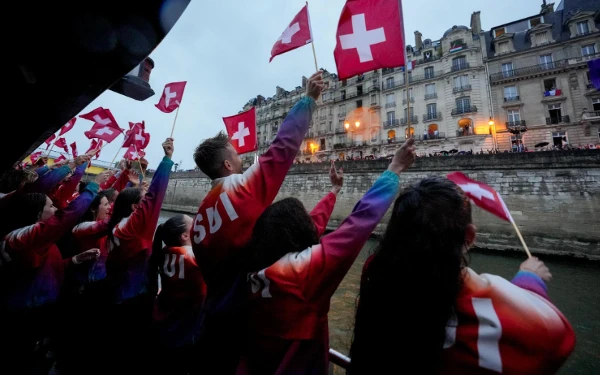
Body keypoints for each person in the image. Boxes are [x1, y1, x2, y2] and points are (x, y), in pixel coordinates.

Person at [349, 176, 576, 374]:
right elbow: (555, 336)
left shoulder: (376, 274)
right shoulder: (487, 310)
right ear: (469, 237)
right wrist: (530, 281)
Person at [238, 141, 415, 374]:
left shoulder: (257, 271)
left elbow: (313, 223)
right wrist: (393, 170)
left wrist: (334, 191)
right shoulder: (304, 275)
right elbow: (358, 222)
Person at [191, 72, 324, 372]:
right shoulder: (239, 187)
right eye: (236, 157)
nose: (240, 160)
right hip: (247, 318)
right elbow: (282, 148)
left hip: (212, 317)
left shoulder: (198, 218)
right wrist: (308, 100)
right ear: (227, 165)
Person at [151, 214, 205, 374]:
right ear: (185, 236)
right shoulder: (194, 257)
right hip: (187, 328)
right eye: (194, 224)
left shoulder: (165, 251)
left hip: (165, 321)